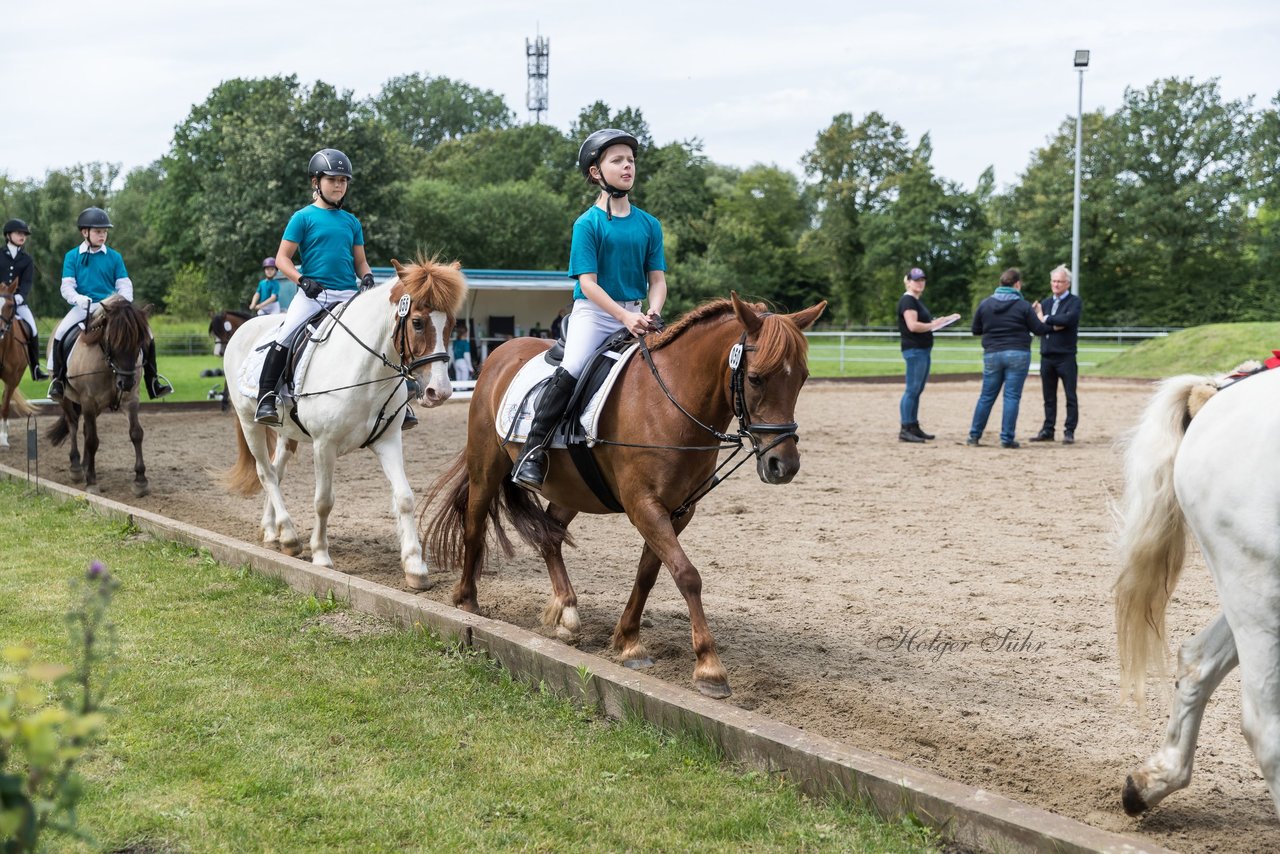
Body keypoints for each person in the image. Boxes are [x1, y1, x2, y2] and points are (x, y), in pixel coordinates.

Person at [511, 128, 667, 491]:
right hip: (595, 314)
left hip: (639, 314)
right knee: (574, 365)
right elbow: (588, 283)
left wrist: (652, 313)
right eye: (617, 160)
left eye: (630, 160)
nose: (627, 166)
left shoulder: (649, 224)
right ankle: (532, 452)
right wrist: (624, 316)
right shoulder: (588, 224)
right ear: (596, 172)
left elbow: (657, 280)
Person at [254, 148, 389, 426]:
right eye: (332, 179)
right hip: (312, 295)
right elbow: (282, 258)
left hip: (348, 297)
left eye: (343, 181)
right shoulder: (302, 217)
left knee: (380, 335)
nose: (339, 185)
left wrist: (367, 277)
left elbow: (361, 262)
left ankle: (396, 398)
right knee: (286, 335)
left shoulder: (352, 222)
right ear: (316, 182)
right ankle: (266, 397)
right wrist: (302, 280)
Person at [47, 207, 172, 400]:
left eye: (105, 231)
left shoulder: (114, 256)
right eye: (98, 231)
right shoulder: (72, 256)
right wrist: (78, 298)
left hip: (112, 308)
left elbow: (124, 284)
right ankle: (58, 380)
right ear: (85, 232)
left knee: (148, 333)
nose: (102, 235)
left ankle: (153, 381)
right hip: (84, 307)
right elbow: (67, 287)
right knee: (61, 332)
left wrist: (123, 302)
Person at [966, 268, 1052, 448]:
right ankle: (1007, 438)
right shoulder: (1023, 306)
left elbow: (976, 330)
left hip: (992, 353)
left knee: (986, 396)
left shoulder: (985, 304)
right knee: (1011, 397)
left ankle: (974, 436)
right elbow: (1039, 330)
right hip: (1018, 353)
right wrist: (1038, 315)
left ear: (1000, 284)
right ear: (1017, 284)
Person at [896, 266, 959, 443]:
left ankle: (913, 425)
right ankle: (906, 427)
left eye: (922, 280)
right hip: (915, 349)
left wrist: (943, 321)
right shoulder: (908, 301)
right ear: (908, 282)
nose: (920, 283)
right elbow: (913, 326)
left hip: (921, 349)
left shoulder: (915, 301)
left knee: (917, 389)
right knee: (912, 389)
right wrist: (933, 324)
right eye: (916, 280)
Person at [1029, 265, 1082, 444]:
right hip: (1047, 356)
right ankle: (1048, 429)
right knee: (1048, 397)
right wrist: (1051, 323)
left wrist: (1046, 318)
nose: (1056, 284)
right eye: (1054, 281)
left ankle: (1069, 431)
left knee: (1070, 395)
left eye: (1060, 281)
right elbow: (1040, 327)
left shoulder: (1074, 302)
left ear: (1067, 284)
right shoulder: (1046, 303)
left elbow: (1068, 320)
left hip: (1065, 356)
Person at [2, 218, 48, 380]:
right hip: (0, 301)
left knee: (33, 329)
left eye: (24, 234)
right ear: (8, 235)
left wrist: (20, 297)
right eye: (18, 233)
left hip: (18, 302)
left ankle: (35, 368)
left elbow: (27, 282)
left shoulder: (27, 259)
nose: (22, 236)